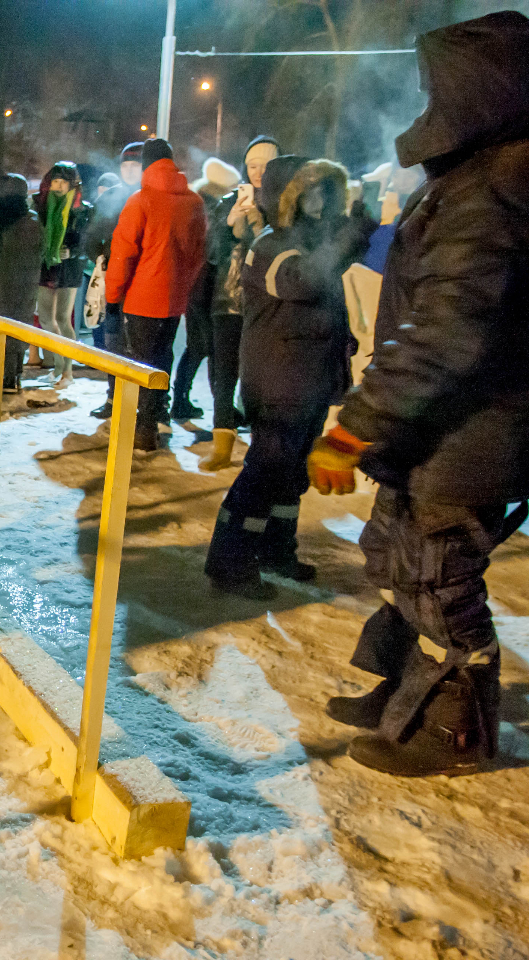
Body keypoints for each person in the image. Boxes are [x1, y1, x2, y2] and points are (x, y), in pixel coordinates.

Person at [308, 11, 529, 777]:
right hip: (430, 429)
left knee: (442, 578)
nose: (423, 98)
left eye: (436, 86)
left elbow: (446, 331)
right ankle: (408, 695)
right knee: (399, 559)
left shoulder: (497, 188)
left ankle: (454, 729)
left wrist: (354, 427)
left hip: (470, 431)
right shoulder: (478, 176)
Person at [204, 156, 370, 598]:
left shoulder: (310, 243)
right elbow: (305, 283)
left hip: (306, 380)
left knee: (291, 475)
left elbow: (329, 280)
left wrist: (359, 222)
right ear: (286, 198)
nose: (318, 202)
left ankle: (276, 550)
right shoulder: (270, 246)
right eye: (309, 192)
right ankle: (231, 561)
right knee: (264, 473)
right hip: (279, 381)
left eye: (324, 193)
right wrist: (351, 234)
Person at [103, 138, 206, 451]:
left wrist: (112, 296)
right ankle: (157, 416)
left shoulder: (140, 200)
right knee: (164, 357)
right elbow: (198, 254)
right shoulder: (194, 202)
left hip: (140, 299)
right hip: (174, 300)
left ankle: (144, 429)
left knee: (141, 362)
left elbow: (123, 254)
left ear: (147, 164)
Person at [199, 135, 281, 470]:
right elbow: (212, 255)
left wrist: (262, 225)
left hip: (268, 302)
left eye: (267, 165)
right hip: (229, 299)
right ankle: (222, 445)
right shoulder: (229, 201)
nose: (259, 172)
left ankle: (262, 446)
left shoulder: (287, 205)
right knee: (224, 373)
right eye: (252, 165)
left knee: (261, 376)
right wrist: (230, 224)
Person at [170, 157, 240, 423]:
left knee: (199, 346)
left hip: (196, 283)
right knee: (206, 346)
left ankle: (183, 400)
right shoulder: (212, 208)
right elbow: (212, 249)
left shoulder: (197, 204)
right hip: (204, 284)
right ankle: (200, 404)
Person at [84, 142, 143, 419]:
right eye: (126, 165)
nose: (130, 170)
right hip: (115, 280)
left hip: (145, 281)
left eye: (136, 164)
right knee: (114, 339)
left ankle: (145, 404)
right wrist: (103, 260)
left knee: (142, 343)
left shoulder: (151, 197)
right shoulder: (110, 198)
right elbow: (91, 236)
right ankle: (113, 397)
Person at [0, 174, 42, 391]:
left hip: (0, 280)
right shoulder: (33, 219)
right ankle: (15, 375)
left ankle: (0, 375)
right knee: (20, 325)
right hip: (28, 282)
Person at [33, 162, 94, 388]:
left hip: (69, 269)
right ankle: (58, 366)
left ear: (72, 185)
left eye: (63, 182)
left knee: (62, 318)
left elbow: (87, 241)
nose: (58, 186)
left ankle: (67, 372)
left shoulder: (83, 209)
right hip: (45, 266)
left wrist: (73, 252)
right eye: (55, 181)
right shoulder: (39, 206)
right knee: (46, 319)